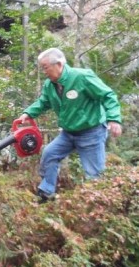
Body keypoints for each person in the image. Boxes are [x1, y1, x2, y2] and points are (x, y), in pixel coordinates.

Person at [16, 48, 122, 202]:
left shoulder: (82, 77)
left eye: (45, 67)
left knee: (94, 174)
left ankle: (98, 206)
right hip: (68, 133)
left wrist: (114, 119)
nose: (44, 71)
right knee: (50, 154)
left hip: (91, 132)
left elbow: (108, 95)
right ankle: (46, 193)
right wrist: (28, 113)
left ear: (58, 64)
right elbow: (44, 102)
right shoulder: (50, 84)